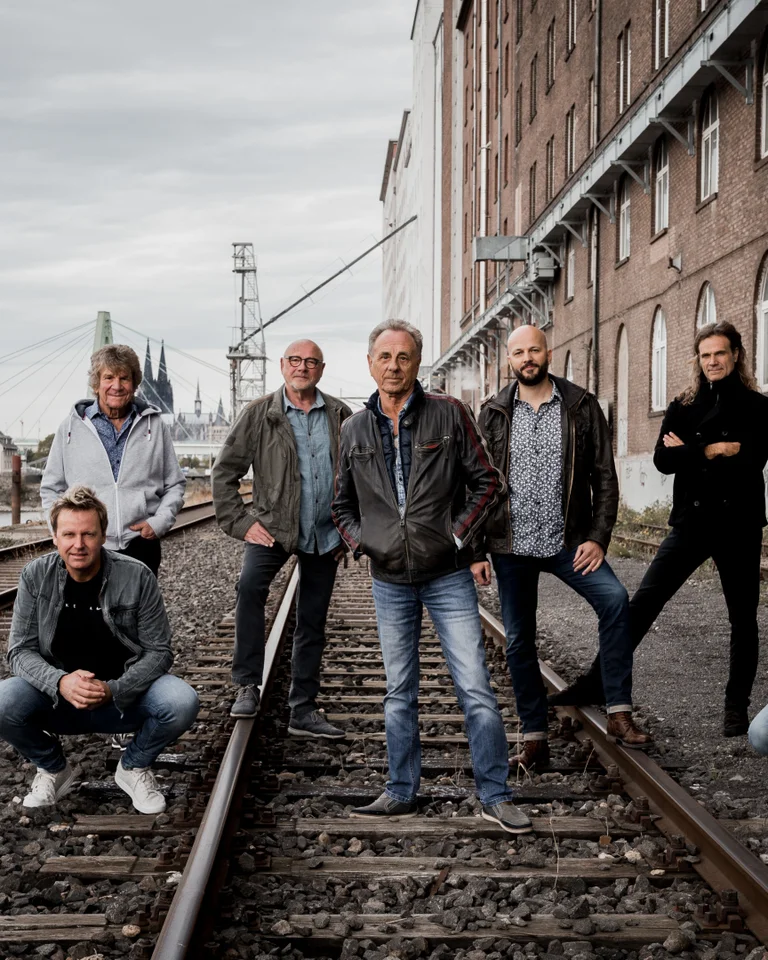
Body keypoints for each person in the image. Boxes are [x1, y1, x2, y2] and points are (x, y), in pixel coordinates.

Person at [332, 319, 531, 833]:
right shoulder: (353, 429)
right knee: (399, 690)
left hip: (447, 575)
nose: (393, 366)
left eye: (403, 357)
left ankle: (494, 795)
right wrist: (364, 542)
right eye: (384, 357)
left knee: (475, 686)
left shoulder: (449, 413)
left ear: (417, 363)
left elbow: (488, 483)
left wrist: (458, 536)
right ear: (370, 363)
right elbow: (341, 504)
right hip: (389, 580)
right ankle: (401, 790)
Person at [552, 322, 768, 738]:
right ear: (698, 360)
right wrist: (711, 450)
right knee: (642, 603)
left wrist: (688, 452)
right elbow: (662, 461)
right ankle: (597, 681)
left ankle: (736, 708)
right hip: (692, 522)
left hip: (738, 525)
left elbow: (751, 460)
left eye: (720, 354)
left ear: (736, 355)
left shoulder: (759, 407)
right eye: (705, 355)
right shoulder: (683, 405)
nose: (712, 362)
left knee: (743, 620)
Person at [478, 325, 651, 769]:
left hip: (568, 541)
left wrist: (598, 537)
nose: (527, 358)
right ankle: (535, 739)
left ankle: (618, 712)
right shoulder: (493, 412)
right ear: (510, 360)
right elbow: (476, 483)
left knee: (614, 600)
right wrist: (476, 551)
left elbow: (604, 477)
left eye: (534, 350)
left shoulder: (580, 405)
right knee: (520, 640)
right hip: (512, 545)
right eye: (519, 352)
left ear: (548, 352)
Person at [0, 486, 199, 813]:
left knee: (181, 701)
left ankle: (133, 766)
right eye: (69, 534)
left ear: (103, 536)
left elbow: (159, 652)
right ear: (55, 537)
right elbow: (19, 651)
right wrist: (61, 682)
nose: (78, 544)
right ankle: (53, 768)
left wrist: (113, 689)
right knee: (3, 701)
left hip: (123, 701)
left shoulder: (137, 576)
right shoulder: (35, 576)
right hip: (58, 700)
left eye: (88, 534)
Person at [212, 340, 351, 735]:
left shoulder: (341, 414)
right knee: (249, 589)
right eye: (295, 360)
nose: (302, 367)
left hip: (324, 533)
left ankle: (303, 709)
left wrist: (349, 532)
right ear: (282, 365)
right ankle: (246, 685)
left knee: (312, 619)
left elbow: (361, 476)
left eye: (310, 361)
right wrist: (241, 523)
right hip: (271, 528)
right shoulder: (259, 414)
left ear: (321, 369)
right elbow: (224, 473)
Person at [41, 344, 185, 577]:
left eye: (124, 378)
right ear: (96, 384)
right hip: (86, 546)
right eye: (108, 377)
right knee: (88, 602)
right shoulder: (69, 428)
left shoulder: (155, 426)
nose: (116, 386)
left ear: (134, 384)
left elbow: (175, 484)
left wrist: (159, 522)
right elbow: (51, 488)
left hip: (140, 544)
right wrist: (60, 531)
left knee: (138, 602)